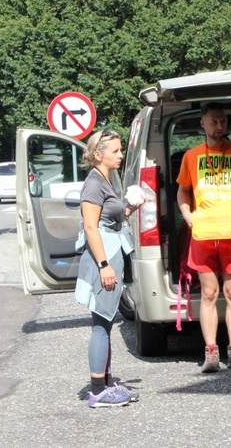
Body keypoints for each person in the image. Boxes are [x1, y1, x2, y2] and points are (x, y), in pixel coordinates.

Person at [176, 102, 231, 373]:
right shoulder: (191, 156)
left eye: (223, 121)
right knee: (210, 293)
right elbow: (183, 191)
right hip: (203, 234)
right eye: (213, 121)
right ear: (202, 123)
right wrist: (186, 214)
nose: (219, 126)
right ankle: (211, 353)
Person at [75, 129, 142, 408]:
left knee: (106, 322)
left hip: (111, 252)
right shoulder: (93, 182)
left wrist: (129, 208)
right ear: (98, 154)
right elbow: (91, 226)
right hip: (104, 256)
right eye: (115, 151)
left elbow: (109, 218)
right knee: (101, 323)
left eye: (120, 150)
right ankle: (98, 391)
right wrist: (104, 265)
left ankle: (106, 382)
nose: (121, 155)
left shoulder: (106, 178)